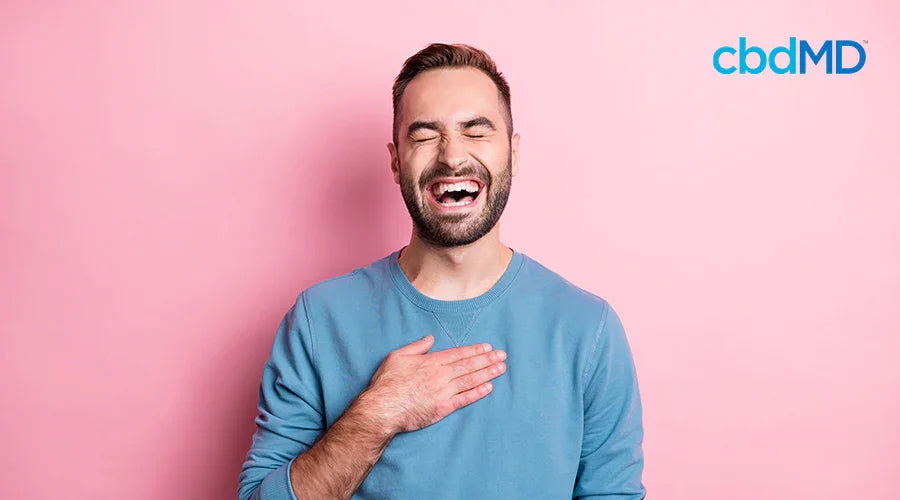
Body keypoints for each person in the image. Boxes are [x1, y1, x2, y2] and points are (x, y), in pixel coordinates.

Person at [238, 42, 646, 500]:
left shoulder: (587, 328)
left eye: (476, 131)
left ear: (513, 153)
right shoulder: (318, 319)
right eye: (425, 134)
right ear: (395, 161)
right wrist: (376, 416)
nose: (452, 157)